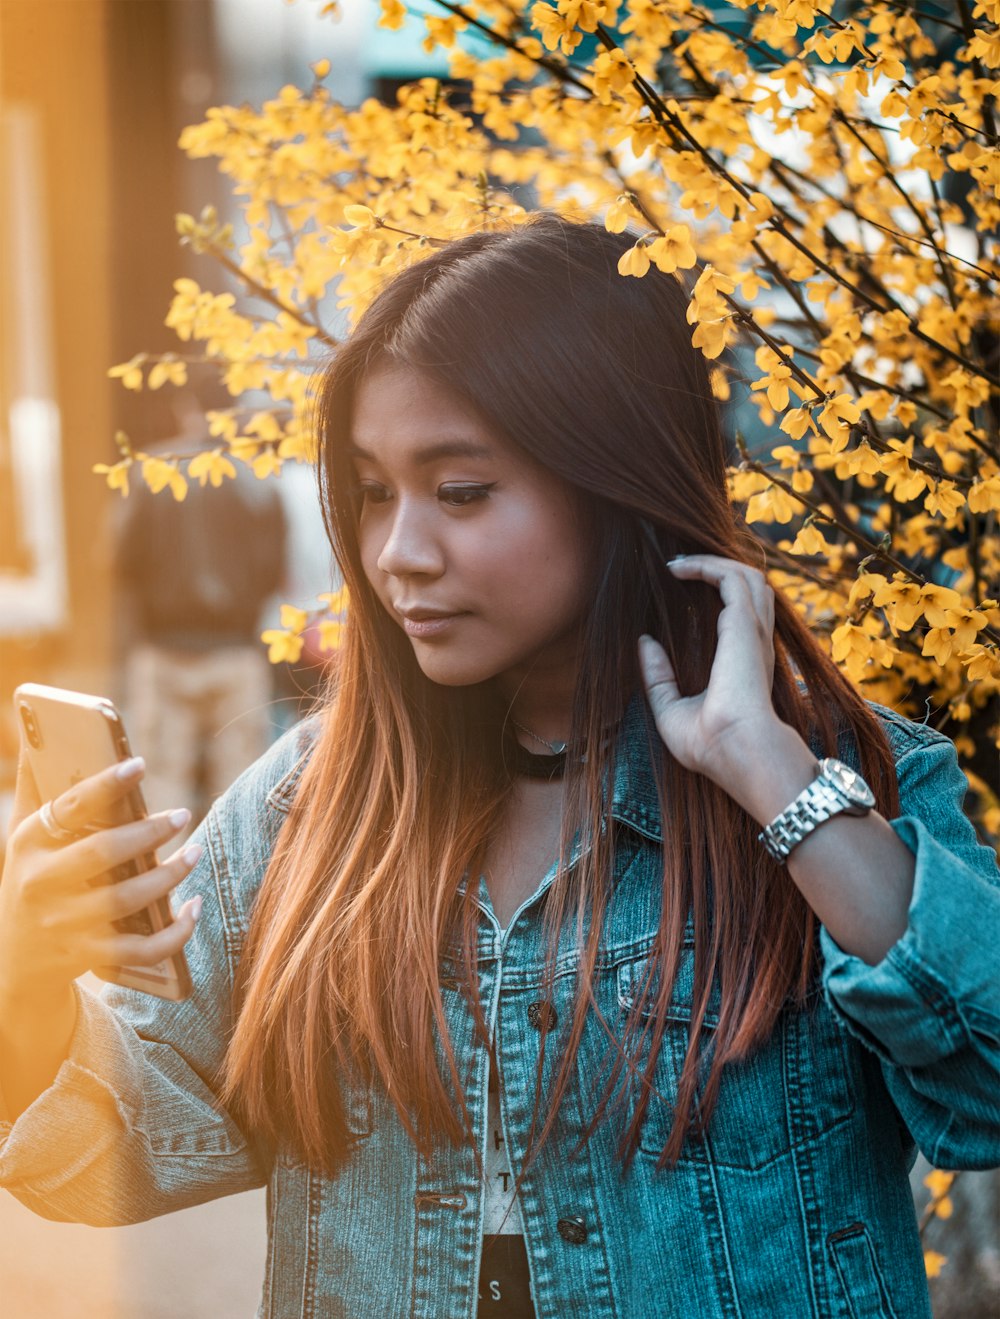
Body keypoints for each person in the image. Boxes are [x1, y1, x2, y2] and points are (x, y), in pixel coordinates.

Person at [0, 215, 998, 1319]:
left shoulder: (851, 779)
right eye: (375, 492)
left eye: (461, 492)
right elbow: (109, 1159)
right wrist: (27, 977)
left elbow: (985, 1085)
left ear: (615, 483)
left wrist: (775, 779)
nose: (398, 552)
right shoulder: (306, 810)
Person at [114, 408, 288, 829]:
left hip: (164, 652)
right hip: (237, 652)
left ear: (186, 407)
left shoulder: (151, 472)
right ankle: (246, 894)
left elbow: (121, 558)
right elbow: (274, 566)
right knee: (243, 794)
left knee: (161, 787)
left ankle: (168, 893)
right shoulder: (257, 479)